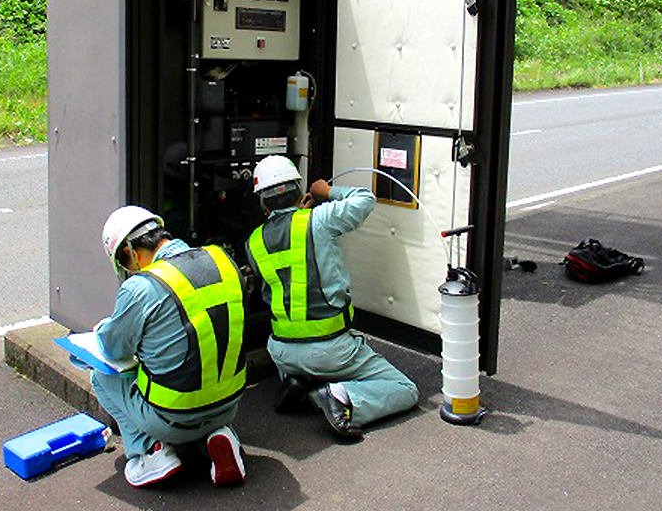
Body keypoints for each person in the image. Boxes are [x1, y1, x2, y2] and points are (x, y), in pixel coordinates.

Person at [245, 155, 419, 438]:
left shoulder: (253, 242)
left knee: (299, 358)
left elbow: (274, 282)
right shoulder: (320, 219)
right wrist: (325, 191)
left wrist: (298, 213)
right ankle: (341, 396)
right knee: (405, 389)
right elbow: (364, 199)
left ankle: (296, 381)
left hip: (281, 351)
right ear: (299, 191)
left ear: (262, 202)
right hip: (330, 350)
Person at [88, 205, 248, 488]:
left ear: (131, 252)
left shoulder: (142, 286)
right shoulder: (223, 260)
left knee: (101, 377)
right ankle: (219, 435)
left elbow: (114, 351)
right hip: (230, 403)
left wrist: (102, 329)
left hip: (172, 418)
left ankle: (150, 452)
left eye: (125, 265)